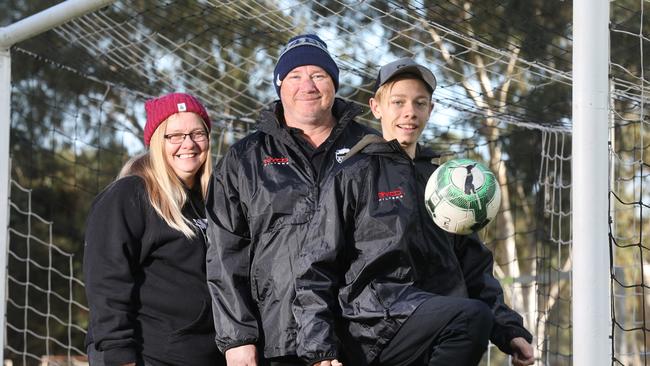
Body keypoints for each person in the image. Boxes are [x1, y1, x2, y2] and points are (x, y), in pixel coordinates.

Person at [293, 58, 535, 366]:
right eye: (398, 102)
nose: (410, 111)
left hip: (434, 323)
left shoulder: (444, 184)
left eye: (420, 103)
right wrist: (319, 350)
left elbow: (474, 267)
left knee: (472, 316)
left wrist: (509, 330)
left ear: (430, 111)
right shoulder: (352, 175)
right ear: (376, 107)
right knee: (470, 316)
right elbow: (315, 267)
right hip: (374, 327)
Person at [205, 34, 379, 366]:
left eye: (319, 75)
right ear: (280, 85)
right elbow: (224, 254)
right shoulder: (245, 159)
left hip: (361, 335)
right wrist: (238, 339)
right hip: (280, 338)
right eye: (296, 76)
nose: (307, 85)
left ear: (333, 84)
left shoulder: (371, 149)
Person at [83, 92, 225, 366]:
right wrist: (117, 353)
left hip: (204, 356)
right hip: (149, 355)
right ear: (157, 142)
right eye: (175, 135)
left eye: (198, 133)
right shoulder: (129, 195)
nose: (189, 144)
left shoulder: (211, 203)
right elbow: (106, 279)